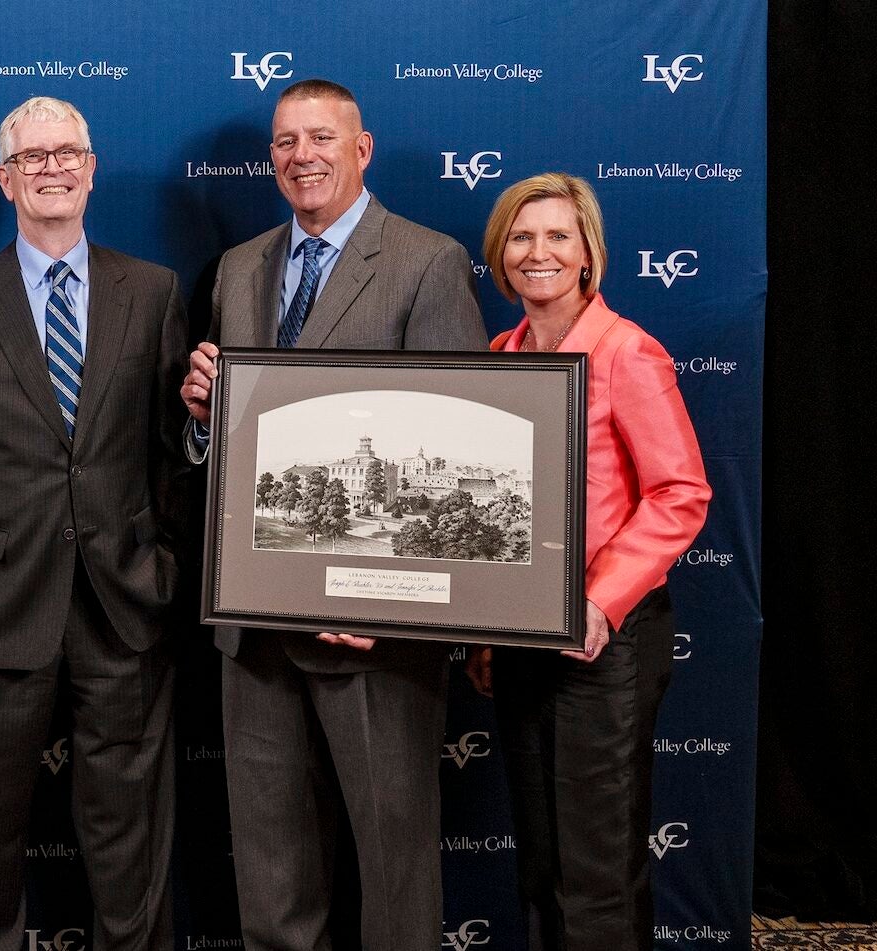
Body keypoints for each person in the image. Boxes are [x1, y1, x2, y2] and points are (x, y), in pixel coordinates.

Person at [179, 79, 486, 950]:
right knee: (272, 872)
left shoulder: (427, 261)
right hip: (254, 620)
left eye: (321, 137)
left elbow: (450, 434)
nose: (301, 156)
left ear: (363, 149)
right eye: (284, 142)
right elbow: (239, 444)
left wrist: (391, 604)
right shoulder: (240, 268)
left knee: (393, 868)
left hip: (376, 633)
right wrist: (201, 418)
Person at [0, 96, 189, 951]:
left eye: (69, 152)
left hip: (125, 600)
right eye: (34, 157)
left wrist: (168, 570)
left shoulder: (156, 291)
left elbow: (173, 450)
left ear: (93, 168)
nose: (54, 167)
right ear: (6, 178)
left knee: (128, 833)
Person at [465, 172, 711, 951]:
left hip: (607, 640)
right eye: (522, 236)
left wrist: (601, 602)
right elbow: (497, 517)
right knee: (541, 862)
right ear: (501, 256)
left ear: (587, 255)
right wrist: (484, 632)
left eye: (558, 236)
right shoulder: (500, 353)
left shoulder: (627, 351)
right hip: (523, 637)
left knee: (596, 873)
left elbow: (680, 493)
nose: (538, 252)